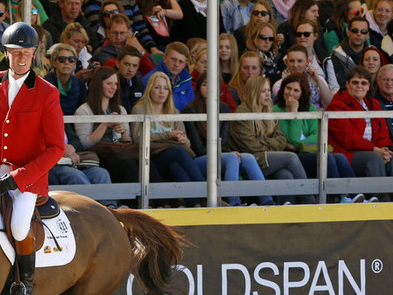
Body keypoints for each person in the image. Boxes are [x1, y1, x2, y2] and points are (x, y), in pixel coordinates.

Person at [0, 22, 64, 295]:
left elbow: (56, 148)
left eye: (26, 52)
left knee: (20, 227)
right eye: (15, 52)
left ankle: (24, 285)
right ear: (5, 54)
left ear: (34, 54)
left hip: (27, 174)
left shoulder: (47, 92)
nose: (21, 58)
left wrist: (20, 178)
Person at [184, 72, 273, 206]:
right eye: (204, 85)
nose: (209, 88)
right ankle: (234, 203)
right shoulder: (190, 110)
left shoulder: (224, 108)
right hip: (200, 159)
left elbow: (224, 141)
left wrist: (226, 153)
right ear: (198, 88)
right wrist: (225, 155)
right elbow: (198, 148)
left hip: (221, 156)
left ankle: (267, 201)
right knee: (231, 158)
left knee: (248, 157)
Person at [273, 73, 362, 203]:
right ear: (282, 89)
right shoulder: (275, 110)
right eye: (288, 88)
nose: (291, 93)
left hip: (308, 150)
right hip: (294, 156)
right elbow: (293, 138)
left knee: (341, 158)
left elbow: (317, 135)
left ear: (303, 93)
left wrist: (300, 144)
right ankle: (339, 197)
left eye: (296, 90)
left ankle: (357, 195)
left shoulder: (310, 108)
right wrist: (294, 113)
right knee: (327, 158)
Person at [227, 75, 315, 205]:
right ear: (253, 92)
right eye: (263, 91)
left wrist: (264, 141)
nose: (268, 95)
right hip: (248, 161)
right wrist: (270, 142)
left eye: (268, 90)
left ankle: (285, 209)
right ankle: (310, 201)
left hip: (265, 158)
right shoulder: (242, 113)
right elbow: (252, 147)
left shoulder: (269, 110)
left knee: (286, 176)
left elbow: (281, 139)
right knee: (291, 157)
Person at [327, 65, 393, 202]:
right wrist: (375, 150)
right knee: (374, 158)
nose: (359, 86)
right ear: (347, 84)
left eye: (363, 83)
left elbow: (383, 131)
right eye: (355, 82)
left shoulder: (374, 104)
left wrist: (383, 149)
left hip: (374, 150)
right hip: (347, 153)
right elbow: (347, 139)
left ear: (369, 86)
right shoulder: (337, 104)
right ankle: (382, 200)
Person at [132, 71, 204, 206]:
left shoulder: (174, 111)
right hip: (151, 158)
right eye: (157, 87)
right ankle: (206, 193)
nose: (162, 92)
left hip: (172, 157)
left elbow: (187, 142)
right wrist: (168, 135)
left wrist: (183, 140)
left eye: (165, 88)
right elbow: (137, 139)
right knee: (177, 151)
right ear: (150, 89)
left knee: (176, 166)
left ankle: (194, 204)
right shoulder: (140, 109)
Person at [74, 66, 141, 184]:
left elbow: (128, 141)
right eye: (109, 83)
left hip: (119, 153)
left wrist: (123, 131)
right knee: (128, 165)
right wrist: (104, 124)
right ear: (98, 85)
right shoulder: (84, 110)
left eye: (115, 84)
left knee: (145, 163)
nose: (113, 87)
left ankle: (160, 201)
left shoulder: (120, 109)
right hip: (99, 157)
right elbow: (84, 143)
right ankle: (133, 202)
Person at [272, 44, 334, 109]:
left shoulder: (318, 79)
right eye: (292, 61)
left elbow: (330, 103)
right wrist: (316, 111)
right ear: (286, 62)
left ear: (307, 62)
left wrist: (317, 80)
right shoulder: (279, 85)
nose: (295, 65)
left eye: (300, 61)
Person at [142, 40, 194, 111]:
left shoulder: (187, 80)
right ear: (164, 58)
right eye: (173, 59)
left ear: (185, 64)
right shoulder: (150, 79)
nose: (176, 64)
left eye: (180, 61)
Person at [330, 15, 370, 89]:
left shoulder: (373, 54)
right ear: (348, 32)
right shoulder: (336, 56)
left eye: (363, 31)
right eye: (355, 30)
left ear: (367, 35)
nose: (359, 34)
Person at [375, 64, 393, 152]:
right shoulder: (372, 104)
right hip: (390, 152)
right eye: (385, 79)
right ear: (378, 81)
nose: (389, 83)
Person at [115, 45, 144, 112]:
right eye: (127, 64)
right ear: (118, 63)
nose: (130, 69)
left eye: (134, 65)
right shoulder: (110, 84)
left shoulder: (139, 86)